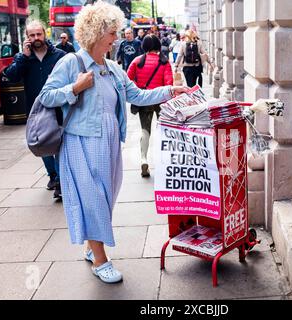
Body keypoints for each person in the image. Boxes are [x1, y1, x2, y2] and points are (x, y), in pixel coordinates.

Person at [38, 1, 188, 284]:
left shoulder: (113, 68)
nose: (116, 38)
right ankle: (100, 260)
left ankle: (89, 245)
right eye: (112, 32)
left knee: (105, 199)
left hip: (108, 143)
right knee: (93, 199)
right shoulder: (72, 63)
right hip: (81, 143)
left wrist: (171, 90)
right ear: (96, 32)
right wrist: (74, 88)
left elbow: (139, 96)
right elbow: (46, 97)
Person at [5, 19, 66, 198]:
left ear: (45, 34)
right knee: (43, 144)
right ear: (27, 38)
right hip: (36, 110)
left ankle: (61, 181)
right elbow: (12, 76)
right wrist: (23, 57)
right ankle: (54, 176)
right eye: (32, 35)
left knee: (61, 145)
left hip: (59, 107)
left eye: (39, 34)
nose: (36, 38)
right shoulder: (23, 58)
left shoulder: (59, 55)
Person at [127, 34, 173, 177]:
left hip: (144, 100)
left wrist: (140, 91)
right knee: (163, 130)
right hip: (161, 101)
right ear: (158, 46)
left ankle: (143, 159)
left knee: (145, 130)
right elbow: (169, 84)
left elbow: (127, 82)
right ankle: (163, 161)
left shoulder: (136, 61)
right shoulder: (165, 62)